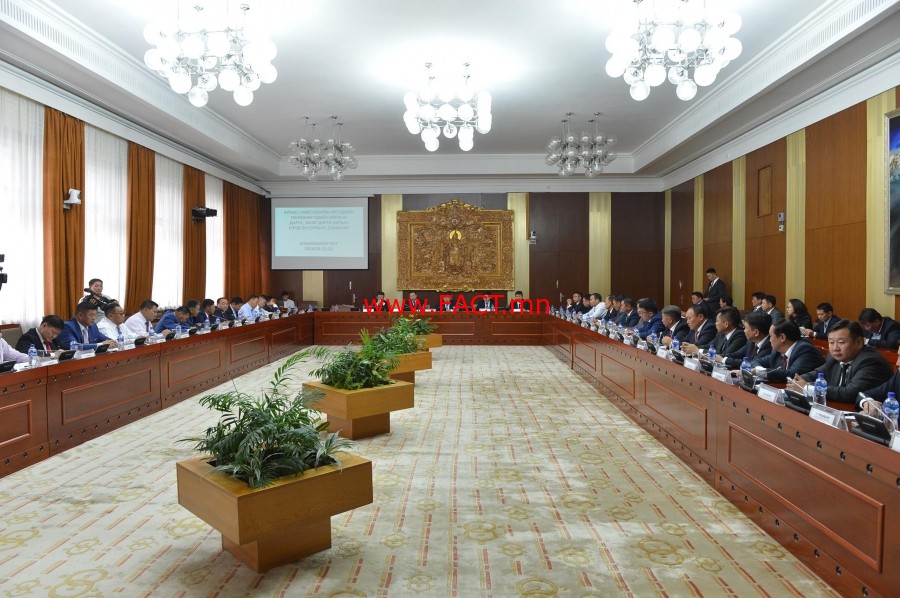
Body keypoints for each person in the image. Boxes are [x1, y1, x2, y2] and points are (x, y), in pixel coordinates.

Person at [796, 320, 893, 406]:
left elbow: (851, 393)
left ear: (859, 342)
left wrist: (808, 388)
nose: (835, 348)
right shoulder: (835, 357)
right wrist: (797, 381)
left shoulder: (871, 361)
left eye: (841, 342)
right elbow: (817, 373)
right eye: (831, 342)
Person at [750, 320, 825, 382]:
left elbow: (792, 374)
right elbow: (756, 361)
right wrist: (758, 369)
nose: (769, 340)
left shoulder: (804, 349)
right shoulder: (777, 351)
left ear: (782, 337)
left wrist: (759, 372)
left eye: (771, 336)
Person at [858, 345, 900, 416]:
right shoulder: (898, 376)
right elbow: (865, 394)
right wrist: (868, 403)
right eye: (899, 356)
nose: (897, 363)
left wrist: (880, 414)